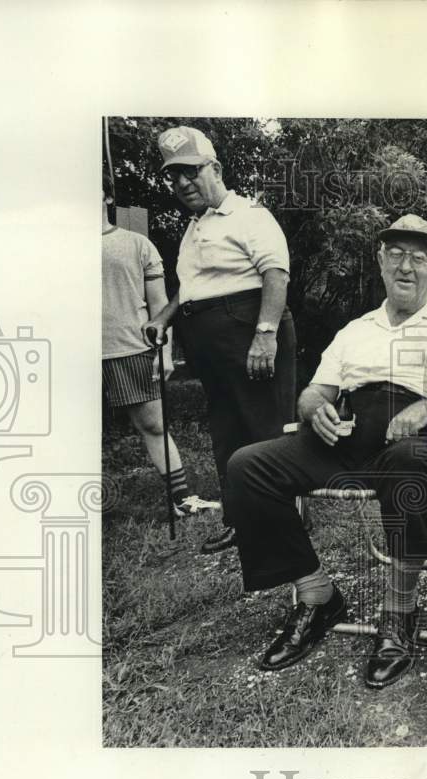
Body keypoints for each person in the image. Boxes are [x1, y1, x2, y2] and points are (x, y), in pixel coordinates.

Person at [225, 214, 427, 689]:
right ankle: (317, 597)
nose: (406, 267)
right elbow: (314, 391)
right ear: (380, 261)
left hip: (425, 439)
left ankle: (399, 613)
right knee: (247, 466)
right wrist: (315, 411)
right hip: (348, 439)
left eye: (418, 257)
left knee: (408, 463)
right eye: (396, 254)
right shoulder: (356, 329)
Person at [143, 126, 298, 554]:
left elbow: (276, 274)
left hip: (247, 328)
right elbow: (191, 286)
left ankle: (282, 523)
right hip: (209, 339)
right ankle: (243, 522)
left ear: (216, 168)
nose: (182, 183)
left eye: (191, 171)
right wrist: (164, 316)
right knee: (227, 431)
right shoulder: (194, 227)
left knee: (265, 429)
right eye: (174, 176)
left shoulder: (249, 215)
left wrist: (265, 335)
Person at [101, 171, 217, 518]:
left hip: (129, 348)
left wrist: (164, 353)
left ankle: (181, 499)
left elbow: (159, 306)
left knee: (153, 425)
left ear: (107, 197)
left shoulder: (137, 244)